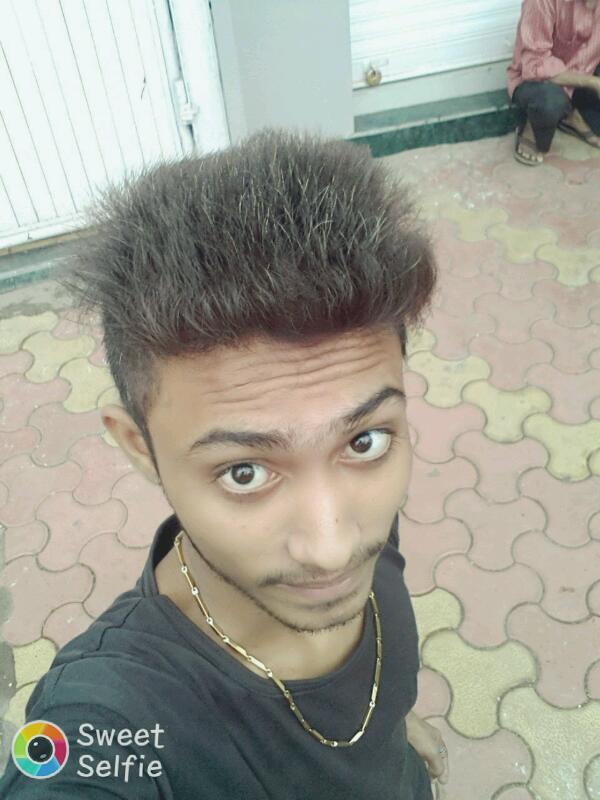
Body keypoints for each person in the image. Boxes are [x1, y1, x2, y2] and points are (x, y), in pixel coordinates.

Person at [0, 130, 448, 798]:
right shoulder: (108, 716)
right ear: (139, 447)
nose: (332, 548)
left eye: (363, 442)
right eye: (245, 472)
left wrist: (392, 728)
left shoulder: (366, 520)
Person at [507, 0, 600, 165]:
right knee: (549, 102)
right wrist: (593, 83)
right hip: (538, 80)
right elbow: (535, 65)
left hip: (585, 73)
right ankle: (532, 123)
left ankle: (572, 116)